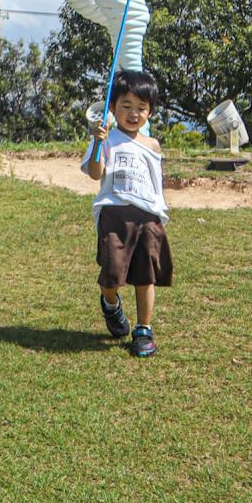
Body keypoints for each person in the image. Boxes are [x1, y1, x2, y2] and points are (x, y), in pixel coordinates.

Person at [83, 71, 170, 357]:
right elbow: (95, 173)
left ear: (150, 111)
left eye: (141, 107)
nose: (134, 113)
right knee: (111, 276)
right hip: (114, 217)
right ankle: (111, 305)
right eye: (126, 105)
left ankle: (144, 329)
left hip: (147, 217)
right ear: (113, 107)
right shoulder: (106, 139)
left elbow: (156, 184)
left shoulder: (152, 145)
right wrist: (98, 143)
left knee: (146, 277)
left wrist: (159, 215)